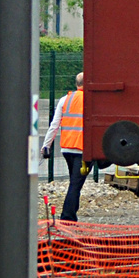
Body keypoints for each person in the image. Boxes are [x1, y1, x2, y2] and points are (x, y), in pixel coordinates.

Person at [42, 72, 86, 221]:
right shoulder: (92, 100)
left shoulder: (64, 100)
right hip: (83, 149)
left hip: (67, 149)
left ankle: (71, 215)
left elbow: (54, 126)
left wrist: (46, 145)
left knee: (75, 183)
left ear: (76, 84)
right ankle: (67, 218)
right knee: (75, 185)